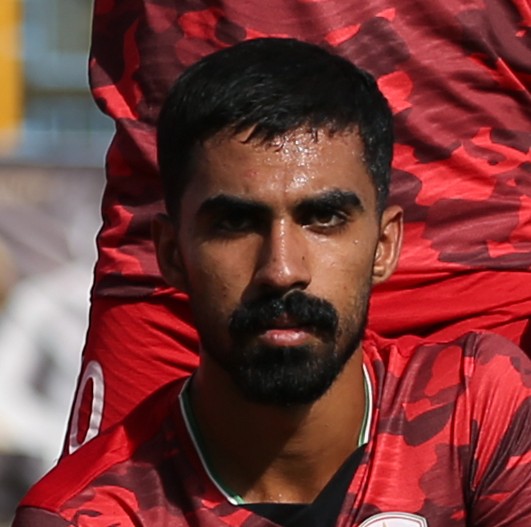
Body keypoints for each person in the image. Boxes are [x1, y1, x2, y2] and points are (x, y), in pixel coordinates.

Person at [14, 38, 531, 527]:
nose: (282, 270)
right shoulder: (84, 514)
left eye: (323, 218)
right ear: (171, 253)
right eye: (236, 223)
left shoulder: (479, 407)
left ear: (384, 245)